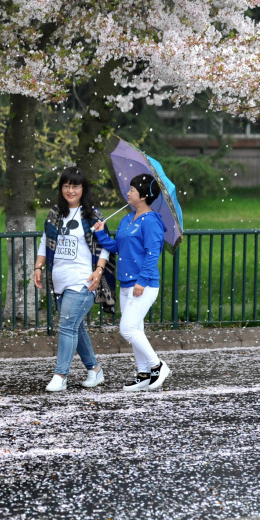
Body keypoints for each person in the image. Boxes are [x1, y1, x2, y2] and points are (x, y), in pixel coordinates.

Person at [33, 166, 116, 392]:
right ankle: (95, 370)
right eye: (67, 185)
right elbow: (44, 242)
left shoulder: (93, 216)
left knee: (67, 326)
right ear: (61, 188)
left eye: (75, 186)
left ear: (83, 189)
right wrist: (38, 266)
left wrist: (99, 271)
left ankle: (60, 376)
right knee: (76, 328)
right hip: (59, 282)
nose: (70, 190)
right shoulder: (55, 214)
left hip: (83, 281)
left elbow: (104, 247)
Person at [93, 173, 171, 391]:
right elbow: (118, 248)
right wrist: (101, 234)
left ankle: (157, 365)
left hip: (143, 285)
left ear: (144, 196)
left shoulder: (152, 221)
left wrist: (142, 281)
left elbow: (152, 253)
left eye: (132, 190)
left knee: (127, 329)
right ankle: (143, 373)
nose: (128, 193)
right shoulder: (127, 219)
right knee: (136, 329)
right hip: (126, 284)